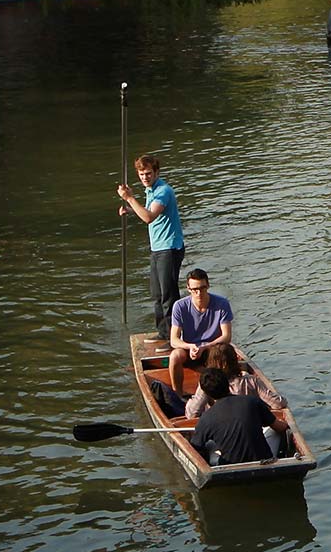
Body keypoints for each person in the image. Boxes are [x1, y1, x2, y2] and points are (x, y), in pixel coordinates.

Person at [117, 152, 186, 340]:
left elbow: (149, 217)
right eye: (141, 175)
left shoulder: (163, 191)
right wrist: (130, 209)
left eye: (148, 173)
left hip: (169, 248)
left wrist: (130, 198)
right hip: (157, 249)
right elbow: (148, 212)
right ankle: (163, 333)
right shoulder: (151, 191)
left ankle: (175, 338)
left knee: (168, 296)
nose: (144, 178)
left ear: (156, 172)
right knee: (157, 295)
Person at [186, 367, 280, 466]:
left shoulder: (206, 418)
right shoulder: (252, 401)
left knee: (208, 444)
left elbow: (195, 447)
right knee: (274, 430)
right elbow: (280, 427)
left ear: (207, 394)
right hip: (264, 461)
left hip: (230, 466)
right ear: (227, 384)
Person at [167, 269, 234, 393]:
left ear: (207, 286)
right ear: (188, 289)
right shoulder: (180, 306)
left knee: (222, 352)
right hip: (190, 348)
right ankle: (178, 393)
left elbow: (226, 336)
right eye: (194, 290)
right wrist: (190, 346)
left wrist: (205, 346)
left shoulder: (222, 304)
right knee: (175, 356)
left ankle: (221, 393)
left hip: (213, 349)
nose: (199, 293)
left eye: (202, 288)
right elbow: (174, 340)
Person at [183, 341, 288, 420]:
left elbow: (192, 414)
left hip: (220, 429)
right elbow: (278, 404)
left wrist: (190, 403)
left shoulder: (208, 385)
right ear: (235, 361)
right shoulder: (251, 381)